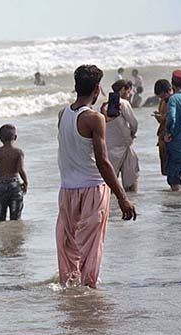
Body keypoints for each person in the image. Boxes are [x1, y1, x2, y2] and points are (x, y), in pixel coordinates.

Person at [56, 65, 136, 289]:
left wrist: (103, 120)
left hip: (67, 190)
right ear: (97, 89)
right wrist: (122, 197)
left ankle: (69, 289)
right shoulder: (94, 119)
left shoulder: (63, 114)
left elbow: (76, 138)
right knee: (91, 247)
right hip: (93, 188)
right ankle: (88, 291)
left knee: (69, 245)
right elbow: (102, 161)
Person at [101, 80, 139, 192]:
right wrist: (132, 133)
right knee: (131, 184)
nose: (129, 94)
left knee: (111, 185)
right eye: (128, 92)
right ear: (122, 90)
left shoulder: (104, 106)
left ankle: (113, 208)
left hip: (110, 149)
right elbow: (134, 123)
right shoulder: (124, 103)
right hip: (125, 146)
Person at [0, 124, 28, 221]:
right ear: (15, 137)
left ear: (0, 138)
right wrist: (26, 183)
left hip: (1, 186)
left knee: (0, 220)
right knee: (15, 220)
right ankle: (14, 236)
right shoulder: (18, 152)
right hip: (15, 186)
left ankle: (2, 235)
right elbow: (21, 170)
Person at [152, 79, 173, 178]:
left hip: (170, 137)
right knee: (166, 168)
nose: (162, 98)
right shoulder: (163, 101)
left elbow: (174, 119)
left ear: (169, 90)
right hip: (162, 136)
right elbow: (162, 120)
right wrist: (159, 117)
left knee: (173, 168)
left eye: (163, 96)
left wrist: (163, 117)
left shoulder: (174, 101)